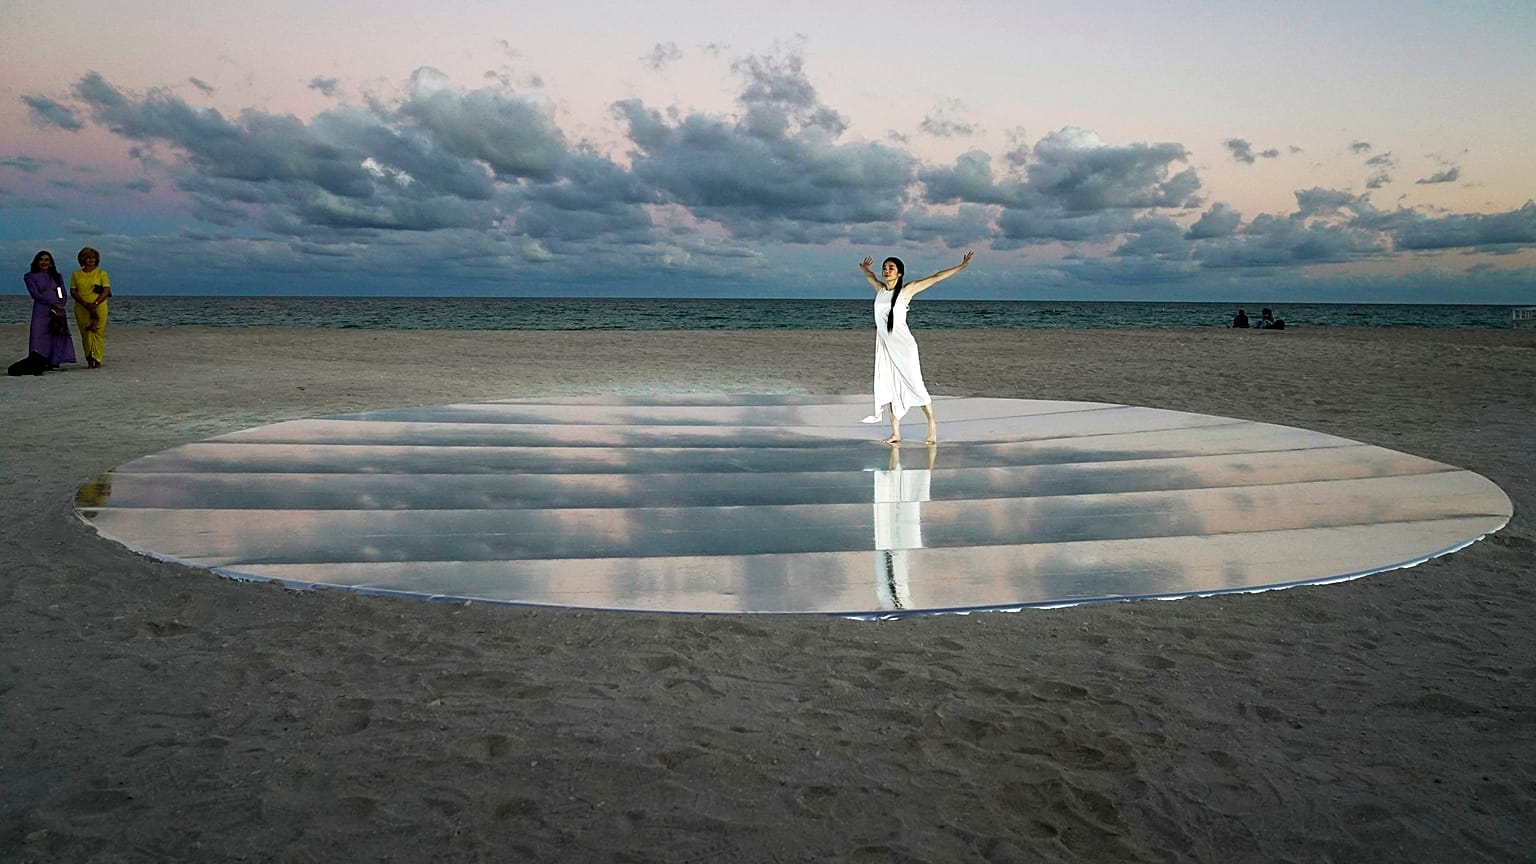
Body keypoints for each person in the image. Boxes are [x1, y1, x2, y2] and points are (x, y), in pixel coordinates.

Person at [858, 251, 974, 445]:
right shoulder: (880, 290)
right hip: (886, 347)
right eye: (885, 268)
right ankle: (895, 433)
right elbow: (871, 277)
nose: (886, 271)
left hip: (904, 347)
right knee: (888, 387)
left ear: (900, 273)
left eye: (891, 268)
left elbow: (935, 278)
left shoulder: (907, 291)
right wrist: (865, 269)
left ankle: (932, 426)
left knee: (917, 386)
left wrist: (961, 266)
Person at [23, 250, 76, 369]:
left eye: (46, 260)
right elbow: (35, 294)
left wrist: (61, 304)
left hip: (58, 310)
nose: (44, 262)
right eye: (41, 260)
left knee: (56, 334)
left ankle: (54, 360)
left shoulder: (56, 277)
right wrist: (52, 303)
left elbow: (61, 292)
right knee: (39, 335)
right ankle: (39, 360)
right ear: (36, 262)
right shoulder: (30, 277)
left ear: (51, 263)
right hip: (41, 310)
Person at [69, 246, 112, 368]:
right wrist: (85, 304)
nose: (91, 260)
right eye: (88, 257)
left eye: (93, 257)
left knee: (97, 332)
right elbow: (73, 291)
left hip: (99, 306)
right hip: (82, 307)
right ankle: (89, 358)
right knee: (85, 333)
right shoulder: (76, 274)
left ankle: (97, 359)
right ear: (83, 259)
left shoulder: (101, 273)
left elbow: (106, 291)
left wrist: (95, 303)